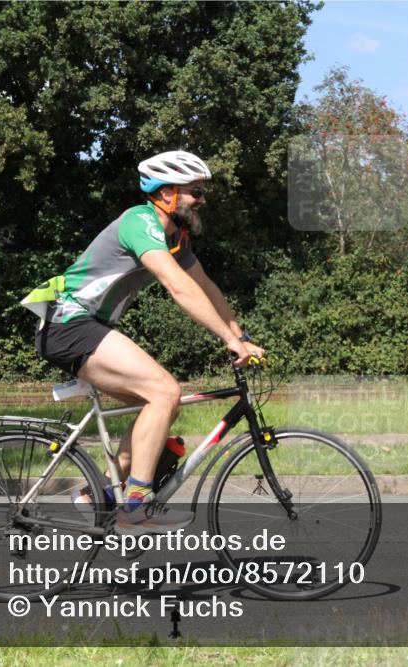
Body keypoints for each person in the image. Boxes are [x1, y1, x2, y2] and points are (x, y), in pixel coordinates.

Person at [24, 151, 264, 534]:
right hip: (68, 324)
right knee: (164, 391)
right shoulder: (140, 222)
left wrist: (240, 337)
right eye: (196, 192)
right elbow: (178, 287)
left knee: (158, 408)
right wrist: (226, 339)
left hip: (84, 326)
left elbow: (207, 288)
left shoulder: (176, 238)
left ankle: (99, 495)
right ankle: (134, 508)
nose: (203, 200)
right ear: (167, 193)